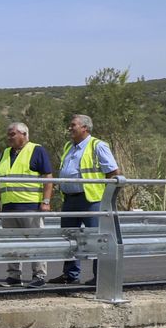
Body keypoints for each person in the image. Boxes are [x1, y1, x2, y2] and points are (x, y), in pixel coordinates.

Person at [51, 114, 121, 285]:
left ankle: (100, 277)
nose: (70, 128)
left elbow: (113, 172)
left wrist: (107, 198)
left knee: (97, 238)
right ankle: (70, 274)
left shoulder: (98, 145)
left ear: (85, 128)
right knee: (69, 237)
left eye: (73, 125)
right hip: (70, 199)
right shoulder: (69, 146)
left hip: (91, 200)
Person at [0, 122, 54, 287]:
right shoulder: (6, 153)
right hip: (9, 206)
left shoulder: (36, 150)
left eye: (12, 134)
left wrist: (46, 201)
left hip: (30, 205)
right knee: (11, 242)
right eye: (8, 134)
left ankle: (39, 276)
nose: (9, 137)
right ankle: (14, 276)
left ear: (24, 134)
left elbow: (48, 177)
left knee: (35, 241)